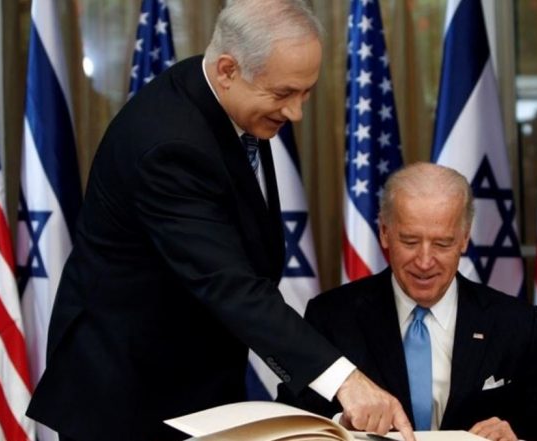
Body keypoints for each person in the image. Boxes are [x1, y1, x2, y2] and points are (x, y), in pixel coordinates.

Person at [26, 1, 414, 440]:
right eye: (283, 94)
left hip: (197, 379)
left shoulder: (223, 95)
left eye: (305, 93)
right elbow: (228, 283)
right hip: (129, 396)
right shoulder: (170, 146)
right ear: (228, 69)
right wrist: (344, 380)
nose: (296, 113)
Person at [279, 163, 537, 441]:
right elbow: (287, 426)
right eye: (410, 241)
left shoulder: (515, 324)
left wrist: (517, 440)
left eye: (443, 244)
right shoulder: (332, 317)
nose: (424, 261)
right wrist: (343, 426)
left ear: (464, 238)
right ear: (385, 233)